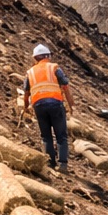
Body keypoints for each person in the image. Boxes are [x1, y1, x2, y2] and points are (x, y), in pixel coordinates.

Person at [22, 43, 73, 173]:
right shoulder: (54, 67)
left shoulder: (30, 72)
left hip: (38, 105)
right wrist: (71, 103)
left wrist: (26, 107)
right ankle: (62, 164)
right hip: (55, 103)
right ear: (47, 56)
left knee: (46, 136)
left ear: (35, 58)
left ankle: (50, 163)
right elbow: (65, 84)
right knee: (61, 135)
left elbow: (26, 92)